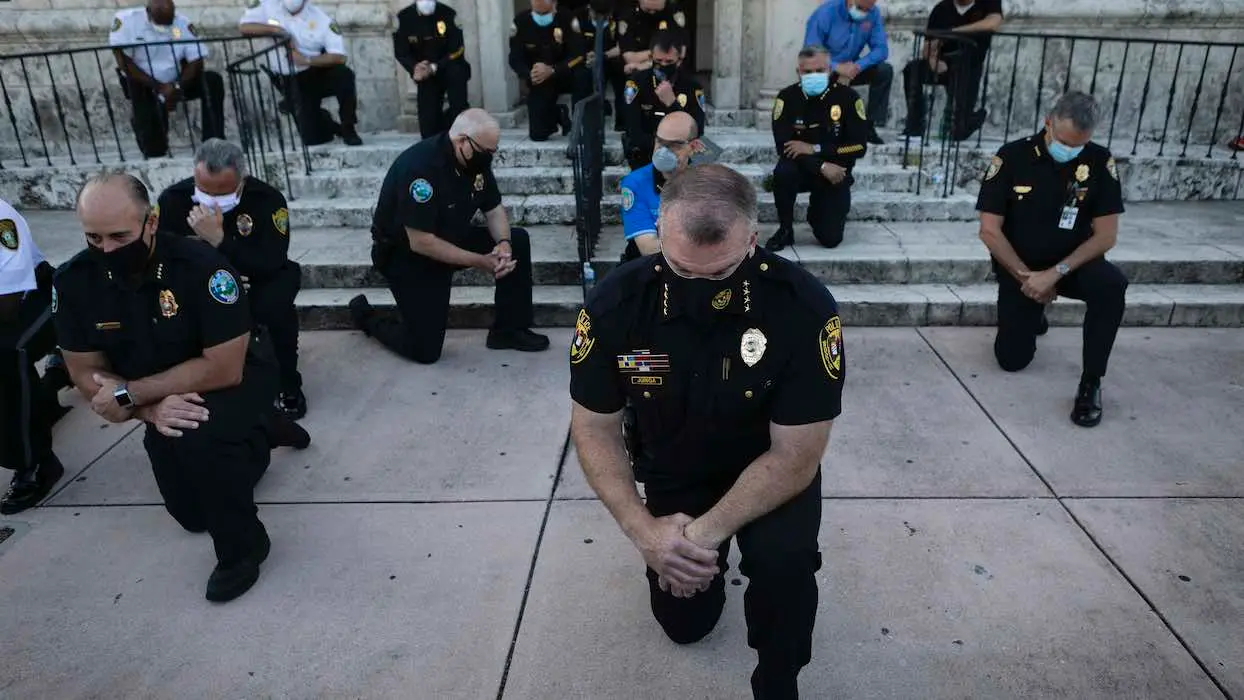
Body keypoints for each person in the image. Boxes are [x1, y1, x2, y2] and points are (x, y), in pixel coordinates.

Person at [570, 164, 842, 700]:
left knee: (783, 565)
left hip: (768, 472)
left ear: (753, 240)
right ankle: (694, 583)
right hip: (675, 468)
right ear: (661, 232)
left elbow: (797, 455)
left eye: (718, 274)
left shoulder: (802, 309)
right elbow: (594, 429)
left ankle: (778, 681)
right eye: (679, 269)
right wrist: (646, 533)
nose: (695, 288)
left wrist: (702, 536)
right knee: (685, 625)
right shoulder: (617, 303)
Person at [53, 172, 289, 602]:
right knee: (193, 514)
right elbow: (85, 370)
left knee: (198, 435)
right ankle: (258, 434)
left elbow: (223, 368)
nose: (106, 250)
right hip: (155, 391)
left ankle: (243, 547)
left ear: (152, 221)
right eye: (93, 238)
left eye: (119, 236)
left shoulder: (202, 268)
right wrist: (145, 407)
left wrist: (133, 394)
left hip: (237, 374)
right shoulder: (75, 282)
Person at [349, 109, 550, 363]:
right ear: (462, 141)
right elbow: (421, 241)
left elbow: (494, 208)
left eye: (493, 151)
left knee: (517, 239)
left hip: (449, 236)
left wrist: (503, 244)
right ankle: (367, 316)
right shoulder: (421, 169)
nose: (490, 157)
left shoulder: (475, 160)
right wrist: (480, 261)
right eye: (486, 151)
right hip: (407, 255)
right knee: (425, 351)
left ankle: (509, 330)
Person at [976, 91, 1126, 427]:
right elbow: (989, 231)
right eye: (1063, 142)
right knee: (1011, 360)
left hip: (1072, 265)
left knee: (1112, 285)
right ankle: (1033, 313)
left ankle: (1091, 383)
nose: (1069, 151)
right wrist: (1028, 278)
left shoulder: (1099, 162)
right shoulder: (1012, 157)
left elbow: (1106, 236)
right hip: (1021, 269)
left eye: (1079, 145)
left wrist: (1055, 274)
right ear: (1047, 123)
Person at [156, 139, 307, 420]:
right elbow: (163, 261)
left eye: (222, 193)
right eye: (204, 192)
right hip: (199, 286)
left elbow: (272, 260)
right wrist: (217, 278)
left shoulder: (266, 200)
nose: (212, 202)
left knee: (277, 299)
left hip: (257, 279)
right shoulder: (173, 201)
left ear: (241, 180)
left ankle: (287, 383)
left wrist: (219, 240)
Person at [765, 45, 870, 252]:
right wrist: (821, 165)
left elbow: (859, 147)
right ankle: (785, 229)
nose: (814, 76)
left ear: (830, 70)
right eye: (808, 72)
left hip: (835, 173)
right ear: (799, 72)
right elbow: (784, 147)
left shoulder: (848, 98)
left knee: (830, 239)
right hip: (803, 168)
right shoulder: (787, 98)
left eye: (820, 71)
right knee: (783, 172)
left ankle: (818, 212)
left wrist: (815, 149)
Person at [0, 199, 64, 515]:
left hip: (38, 297)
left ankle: (36, 462)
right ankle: (44, 396)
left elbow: (7, 307)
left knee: (7, 354)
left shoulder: (2, 220)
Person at [109, 0, 225, 158]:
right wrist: (159, 87)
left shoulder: (180, 24)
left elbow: (196, 60)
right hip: (142, 82)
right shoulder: (128, 20)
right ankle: (145, 126)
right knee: (155, 150)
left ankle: (213, 143)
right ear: (150, 10)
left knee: (212, 81)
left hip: (175, 81)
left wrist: (176, 86)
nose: (166, 26)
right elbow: (124, 62)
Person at [239, 0, 362, 146]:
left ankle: (348, 126)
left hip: (313, 71)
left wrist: (306, 60)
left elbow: (339, 56)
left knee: (344, 75)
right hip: (288, 78)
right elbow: (245, 27)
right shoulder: (267, 5)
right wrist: (277, 30)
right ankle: (327, 122)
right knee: (313, 139)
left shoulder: (321, 19)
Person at [901, 0, 1001, 142]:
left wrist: (953, 32)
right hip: (943, 63)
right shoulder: (941, 9)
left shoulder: (987, 4)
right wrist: (933, 61)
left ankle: (972, 118)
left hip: (969, 67)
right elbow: (928, 46)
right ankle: (915, 125)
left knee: (958, 132)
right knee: (912, 70)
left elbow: (993, 23)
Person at [618, 111, 701, 262]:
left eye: (674, 145)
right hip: (651, 270)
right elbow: (649, 249)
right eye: (660, 142)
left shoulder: (706, 181)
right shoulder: (635, 183)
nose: (663, 151)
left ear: (693, 147)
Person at [803, 0, 890, 143]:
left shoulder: (872, 13)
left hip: (851, 68)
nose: (866, 13)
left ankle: (868, 126)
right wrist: (837, 67)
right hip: (825, 69)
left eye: (869, 8)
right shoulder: (826, 13)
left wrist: (857, 67)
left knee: (884, 71)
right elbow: (810, 51)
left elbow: (882, 49)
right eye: (861, 8)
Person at [508, 0, 592, 142]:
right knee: (538, 134)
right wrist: (530, 74)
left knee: (583, 76)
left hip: (565, 73)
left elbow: (578, 54)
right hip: (540, 78)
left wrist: (554, 70)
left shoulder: (567, 18)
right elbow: (515, 58)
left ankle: (581, 125)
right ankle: (559, 114)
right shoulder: (521, 21)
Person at [622, 29, 705, 170]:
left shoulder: (693, 87)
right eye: (659, 61)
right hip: (645, 154)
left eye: (669, 61)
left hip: (680, 156)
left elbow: (697, 130)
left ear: (679, 60)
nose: (664, 65)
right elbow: (633, 130)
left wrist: (673, 104)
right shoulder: (636, 83)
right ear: (651, 57)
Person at [393, 0, 471, 139]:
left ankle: (458, 136)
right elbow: (401, 51)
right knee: (428, 120)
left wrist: (435, 67)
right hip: (424, 72)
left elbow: (457, 49)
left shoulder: (448, 14)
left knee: (459, 109)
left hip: (450, 68)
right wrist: (414, 67)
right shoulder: (404, 17)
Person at [575, 0, 626, 132]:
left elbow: (624, 45)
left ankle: (622, 119)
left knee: (623, 78)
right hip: (587, 59)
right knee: (581, 76)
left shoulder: (621, 15)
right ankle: (583, 118)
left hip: (612, 58)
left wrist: (603, 55)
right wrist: (586, 55)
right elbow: (573, 44)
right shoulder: (578, 17)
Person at [616, 0, 686, 76]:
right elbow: (630, 58)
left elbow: (681, 53)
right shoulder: (628, 14)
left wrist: (644, 65)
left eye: (657, 10)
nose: (652, 13)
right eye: (647, 10)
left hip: (670, 73)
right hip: (637, 75)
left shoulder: (673, 11)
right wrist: (663, 51)